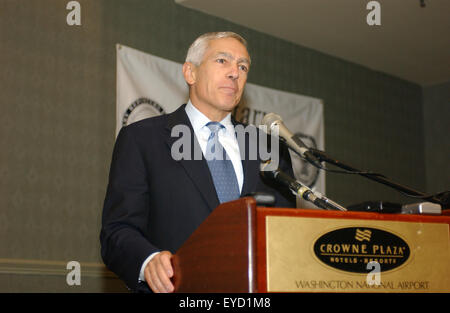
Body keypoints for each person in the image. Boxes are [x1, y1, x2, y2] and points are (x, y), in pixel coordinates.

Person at [100, 32, 295, 293]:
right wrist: (148, 261)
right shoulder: (142, 139)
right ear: (190, 73)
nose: (235, 73)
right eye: (222, 61)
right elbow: (117, 231)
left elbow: (284, 233)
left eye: (242, 66)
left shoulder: (269, 147)